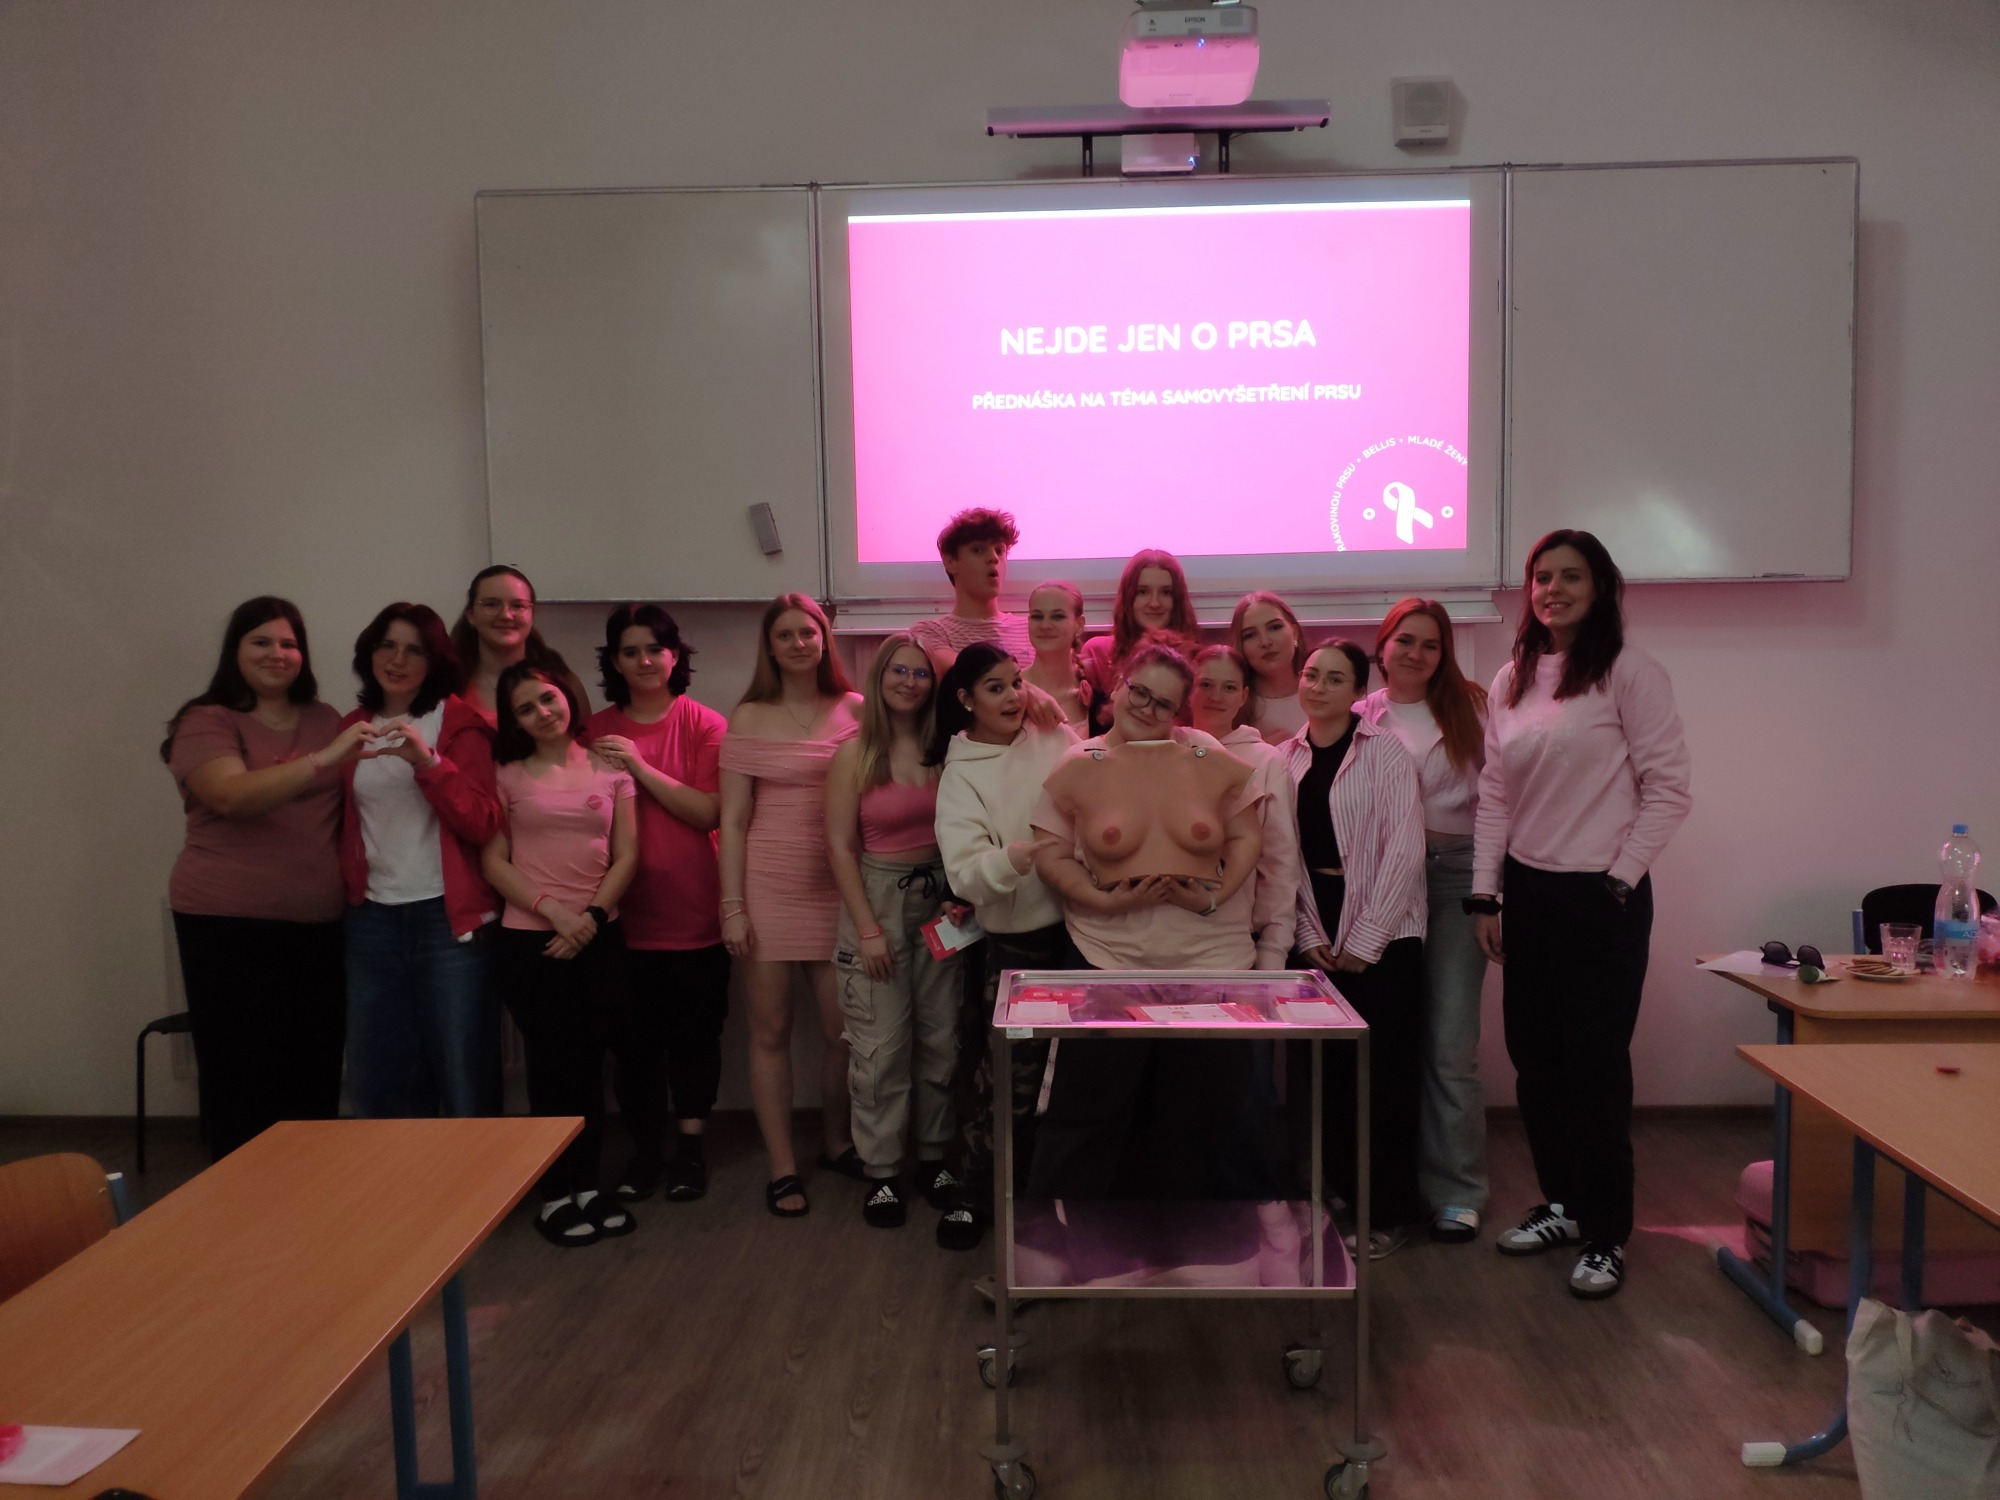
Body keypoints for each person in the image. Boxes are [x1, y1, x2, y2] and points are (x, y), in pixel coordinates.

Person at [1472, 530, 1691, 1301]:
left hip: (1604, 897)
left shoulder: (1629, 672)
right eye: (1541, 577)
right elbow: (1495, 795)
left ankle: (1605, 1235)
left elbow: (1669, 789)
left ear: (1600, 587)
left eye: (1570, 576)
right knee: (1536, 1063)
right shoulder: (1511, 679)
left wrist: (1621, 879)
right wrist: (1486, 893)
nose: (1552, 589)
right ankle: (1563, 1205)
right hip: (1529, 893)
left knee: (1594, 1069)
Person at [1029, 642, 1274, 1232]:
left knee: (1204, 1111)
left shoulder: (1205, 752)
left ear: (1179, 710)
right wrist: (1102, 900)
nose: (1146, 707)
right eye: (1139, 692)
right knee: (1088, 1111)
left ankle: (1198, 1244)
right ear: (1118, 685)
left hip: (1210, 962)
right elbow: (1050, 852)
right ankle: (1068, 1246)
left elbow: (1247, 836)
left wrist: (1212, 896)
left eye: (1163, 703)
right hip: (1107, 957)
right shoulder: (1079, 760)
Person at [162, 597, 376, 1160]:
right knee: (243, 1077)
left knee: (314, 1072)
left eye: (288, 643)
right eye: (261, 641)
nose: (277, 654)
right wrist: (323, 759)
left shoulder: (324, 718)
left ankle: (308, 1196)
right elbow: (230, 796)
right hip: (226, 924)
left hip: (318, 925)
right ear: (235, 650)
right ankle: (244, 1202)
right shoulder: (206, 720)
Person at [481, 663, 639, 1247]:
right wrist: (556, 913)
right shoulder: (504, 774)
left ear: (567, 696)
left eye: (547, 698)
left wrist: (590, 918)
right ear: (514, 721)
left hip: (599, 935)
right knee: (551, 1069)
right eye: (525, 708)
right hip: (533, 939)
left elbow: (627, 855)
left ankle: (588, 1186)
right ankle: (554, 1195)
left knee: (591, 1064)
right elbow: (492, 861)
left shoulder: (611, 768)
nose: (542, 713)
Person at [718, 593, 864, 1218]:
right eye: (786, 635)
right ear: (770, 647)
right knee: (770, 1032)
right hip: (766, 887)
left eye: (809, 632)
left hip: (839, 885)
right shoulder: (749, 714)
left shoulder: (856, 708)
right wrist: (732, 906)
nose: (800, 643)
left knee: (844, 1033)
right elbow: (733, 819)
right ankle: (782, 1168)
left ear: (824, 639)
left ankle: (836, 1143)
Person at [931, 643, 1080, 1250]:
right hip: (1020, 947)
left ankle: (1054, 1197)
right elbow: (965, 871)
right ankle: (975, 1193)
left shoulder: (1052, 734)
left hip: (1086, 934)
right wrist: (1017, 858)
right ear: (966, 700)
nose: (1013, 696)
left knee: (1073, 1079)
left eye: (1017, 682)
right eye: (995, 687)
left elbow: (1096, 785)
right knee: (1008, 1079)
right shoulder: (961, 771)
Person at [1284, 640, 1428, 1258]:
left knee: (1385, 1079)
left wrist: (1368, 939)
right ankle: (1338, 1196)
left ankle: (1390, 1211)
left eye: (1334, 678)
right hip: (1315, 927)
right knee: (1325, 1079)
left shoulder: (1385, 751)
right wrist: (1308, 934)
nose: (1317, 686)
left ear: (1358, 692)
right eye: (1311, 674)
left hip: (1386, 932)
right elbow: (1282, 855)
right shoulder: (1285, 757)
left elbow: (1405, 849)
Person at [337, 603, 504, 1121]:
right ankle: (395, 1174)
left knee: (462, 1068)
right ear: (369, 653)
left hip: (446, 918)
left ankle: (478, 1174)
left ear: (435, 660)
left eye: (414, 650)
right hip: (370, 917)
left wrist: (428, 763)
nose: (398, 659)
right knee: (377, 1071)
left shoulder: (459, 723)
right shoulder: (351, 727)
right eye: (387, 645)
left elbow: (482, 821)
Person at [1359, 598, 1492, 1245]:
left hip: (1456, 877)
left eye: (1430, 644)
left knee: (1449, 1042)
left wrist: (1492, 894)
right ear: (1383, 646)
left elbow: (1501, 805)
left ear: (1444, 654)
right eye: (1404, 640)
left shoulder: (1474, 709)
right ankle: (1390, 1187)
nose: (1415, 653)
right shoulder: (1360, 715)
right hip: (1382, 881)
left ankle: (1457, 1192)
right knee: (1391, 1038)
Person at [588, 604, 730, 1204]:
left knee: (696, 1040)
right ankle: (645, 1152)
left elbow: (708, 811)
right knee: (633, 1048)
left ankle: (691, 1150)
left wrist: (639, 767)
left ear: (675, 656)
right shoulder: (592, 730)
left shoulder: (705, 724)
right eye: (630, 651)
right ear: (615, 662)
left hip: (695, 914)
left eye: (654, 648)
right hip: (618, 919)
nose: (644, 661)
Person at [824, 634, 960, 1228]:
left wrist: (960, 897)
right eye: (898, 671)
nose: (909, 682)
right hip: (877, 901)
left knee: (942, 1037)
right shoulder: (854, 754)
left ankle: (933, 1157)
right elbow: (838, 846)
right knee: (880, 1047)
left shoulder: (948, 751)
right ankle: (881, 1171)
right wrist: (867, 929)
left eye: (921, 673)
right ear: (879, 679)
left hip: (944, 904)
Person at [1189, 644, 1301, 970]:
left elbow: (1280, 863)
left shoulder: (1266, 761)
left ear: (1243, 696)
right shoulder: (1163, 750)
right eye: (1205, 684)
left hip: (1235, 945)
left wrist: (1274, 950)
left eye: (1229, 687)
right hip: (1164, 940)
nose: (1216, 696)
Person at [450, 564, 590, 727]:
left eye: (518, 605)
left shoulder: (564, 680)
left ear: (532, 614)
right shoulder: (448, 684)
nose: (506, 615)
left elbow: (584, 739)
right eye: (491, 604)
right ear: (471, 615)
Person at [908, 508, 1033, 675]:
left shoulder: (1030, 629)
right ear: (951, 562)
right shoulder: (931, 633)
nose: (994, 558)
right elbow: (970, 679)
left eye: (999, 550)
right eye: (978, 550)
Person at [1077, 550, 1201, 700]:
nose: (1154, 603)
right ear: (1128, 598)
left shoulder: (1197, 659)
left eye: (1166, 592)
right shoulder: (1097, 652)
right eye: (1142, 592)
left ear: (1177, 601)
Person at [1231, 591, 1311, 745]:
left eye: (1275, 627)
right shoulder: (1232, 705)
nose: (1265, 642)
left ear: (1294, 633)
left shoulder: (1325, 693)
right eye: (1250, 635)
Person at [1024, 580, 1099, 729]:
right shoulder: (1011, 690)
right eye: (1037, 616)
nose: (1045, 625)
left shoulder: (1096, 696)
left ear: (1079, 624)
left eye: (1057, 616)